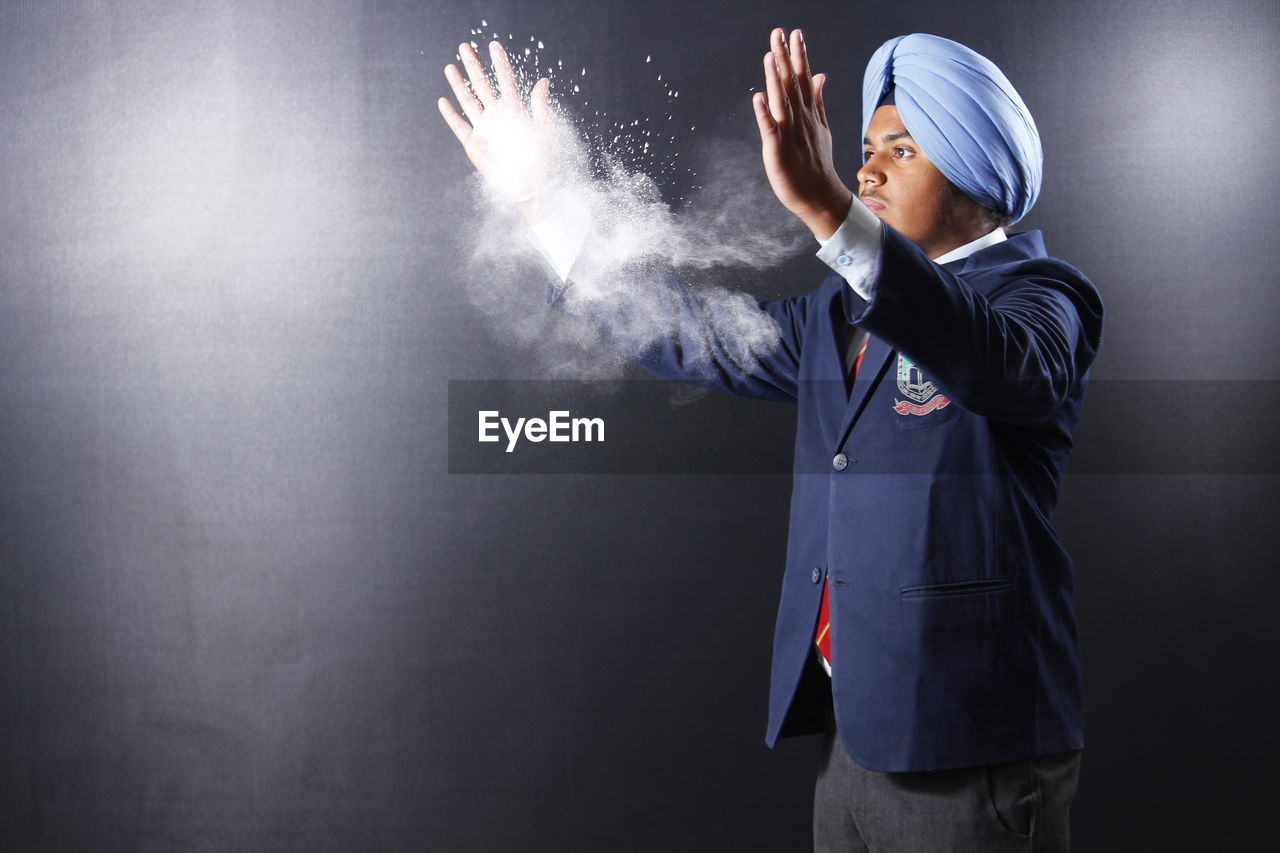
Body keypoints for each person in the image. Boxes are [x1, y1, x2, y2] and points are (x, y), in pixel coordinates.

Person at [439, 28, 1102, 853]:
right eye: (864, 150)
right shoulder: (836, 317)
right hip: (852, 734)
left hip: (974, 748)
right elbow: (691, 331)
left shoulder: (1043, 301)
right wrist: (544, 202)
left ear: (978, 171)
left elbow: (992, 362)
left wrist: (829, 208)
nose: (867, 171)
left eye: (901, 151)